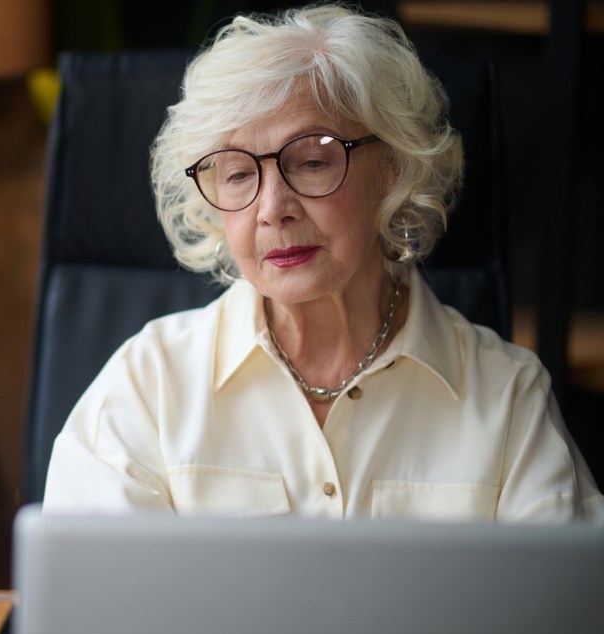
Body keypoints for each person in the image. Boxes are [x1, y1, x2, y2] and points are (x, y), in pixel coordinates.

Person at [41, 4, 603, 522]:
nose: (272, 209)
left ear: (393, 170)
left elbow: (564, 619)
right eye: (237, 173)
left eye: (311, 160)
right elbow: (98, 616)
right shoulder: (147, 387)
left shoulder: (508, 401)